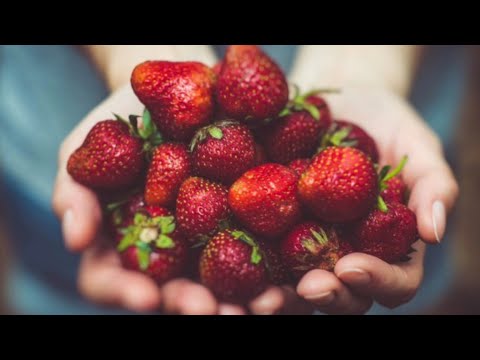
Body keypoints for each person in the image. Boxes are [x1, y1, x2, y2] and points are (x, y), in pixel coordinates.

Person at [0, 45, 460, 314]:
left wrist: (363, 65)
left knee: (387, 274)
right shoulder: (201, 170)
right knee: (61, 277)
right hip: (56, 95)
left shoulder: (290, 174)